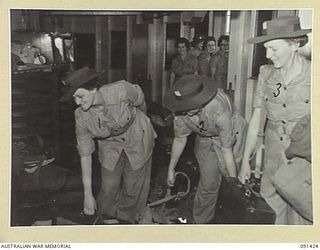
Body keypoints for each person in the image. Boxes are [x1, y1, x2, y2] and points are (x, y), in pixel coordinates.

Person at [238, 16, 311, 225]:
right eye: (266, 49)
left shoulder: (313, 75)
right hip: (273, 158)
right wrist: (245, 160)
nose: (268, 55)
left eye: (274, 49)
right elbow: (256, 119)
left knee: (302, 220)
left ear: (295, 44)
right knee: (273, 216)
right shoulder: (266, 73)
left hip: (303, 162)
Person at [60, 67, 157, 223]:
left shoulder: (121, 90)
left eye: (80, 96)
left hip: (137, 136)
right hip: (109, 144)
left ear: (93, 89)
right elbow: (85, 156)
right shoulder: (81, 117)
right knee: (108, 187)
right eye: (74, 99)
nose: (78, 102)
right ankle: (108, 221)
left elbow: (141, 103)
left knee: (134, 189)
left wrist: (143, 125)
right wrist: (88, 195)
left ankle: (127, 223)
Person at [164, 74, 247, 223]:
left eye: (192, 104)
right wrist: (171, 168)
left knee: (232, 185)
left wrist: (233, 182)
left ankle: (232, 223)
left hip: (231, 135)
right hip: (204, 138)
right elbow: (180, 138)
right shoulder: (181, 111)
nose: (187, 110)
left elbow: (227, 149)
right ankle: (201, 223)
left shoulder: (219, 108)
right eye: (185, 105)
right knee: (209, 184)